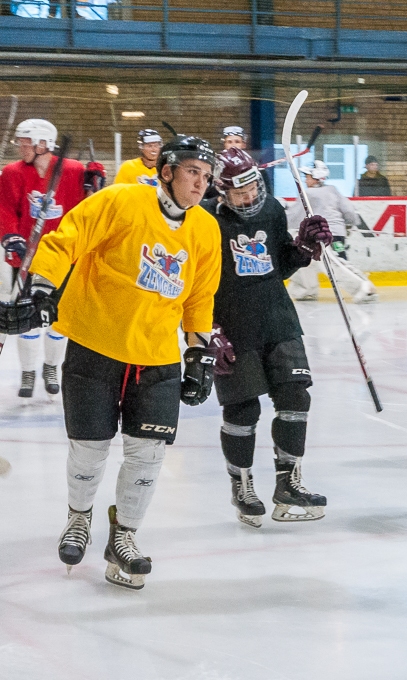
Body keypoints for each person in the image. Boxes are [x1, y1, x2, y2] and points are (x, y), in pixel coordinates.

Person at [0, 135, 221, 589]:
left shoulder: (206, 229)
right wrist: (42, 291)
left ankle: (124, 538)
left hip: (157, 357)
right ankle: (78, 518)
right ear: (167, 171)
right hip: (96, 343)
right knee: (90, 448)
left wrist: (198, 353)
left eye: (205, 175)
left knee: (148, 457)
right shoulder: (121, 200)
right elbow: (65, 241)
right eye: (191, 172)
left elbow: (200, 296)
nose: (200, 183)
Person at [201, 148, 333, 527]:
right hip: (230, 327)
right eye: (239, 193)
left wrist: (303, 249)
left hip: (278, 318)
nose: (248, 198)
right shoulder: (204, 219)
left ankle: (288, 483)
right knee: (244, 410)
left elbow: (281, 265)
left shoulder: (272, 209)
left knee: (296, 396)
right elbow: (191, 282)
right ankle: (241, 485)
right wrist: (207, 331)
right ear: (222, 192)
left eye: (253, 189)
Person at [0, 119, 102, 399]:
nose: (20, 147)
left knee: (59, 317)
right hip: (27, 256)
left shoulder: (73, 170)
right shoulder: (11, 172)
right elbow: (5, 208)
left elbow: (90, 210)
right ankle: (29, 370)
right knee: (25, 316)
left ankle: (51, 367)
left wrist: (95, 184)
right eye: (19, 142)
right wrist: (11, 237)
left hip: (63, 257)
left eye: (25, 142)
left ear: (43, 144)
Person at [287, 160, 378, 303]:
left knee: (332, 265)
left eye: (308, 176)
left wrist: (279, 218)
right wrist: (350, 223)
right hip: (336, 235)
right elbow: (349, 211)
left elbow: (293, 217)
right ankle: (305, 290)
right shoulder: (333, 190)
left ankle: (363, 288)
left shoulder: (308, 194)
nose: (305, 179)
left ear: (317, 176)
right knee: (305, 255)